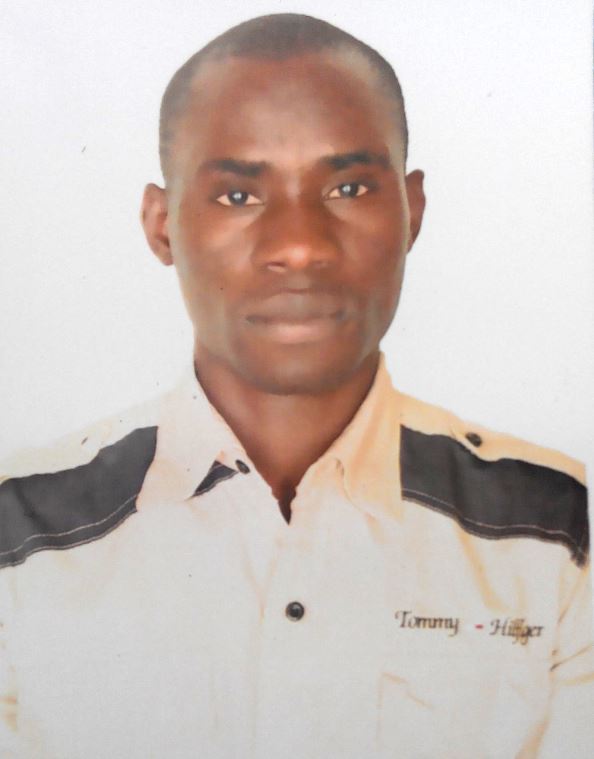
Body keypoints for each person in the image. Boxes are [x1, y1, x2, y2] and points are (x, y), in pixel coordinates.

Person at [0, 13, 591, 758]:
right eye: (238, 196)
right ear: (161, 225)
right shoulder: (19, 537)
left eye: (348, 187)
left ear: (412, 212)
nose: (301, 246)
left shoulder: (557, 534)